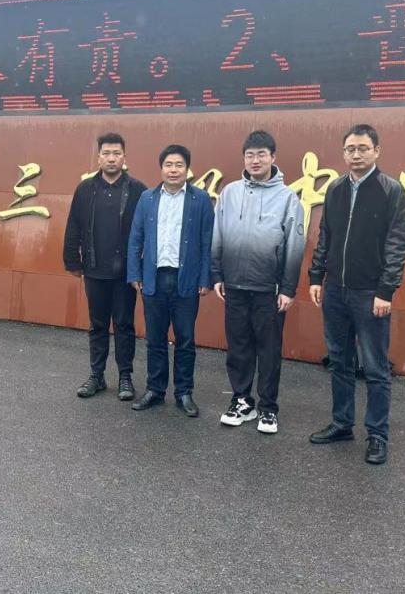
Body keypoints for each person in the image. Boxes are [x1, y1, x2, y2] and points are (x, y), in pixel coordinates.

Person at [307, 124, 405, 465]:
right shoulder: (335, 188)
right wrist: (316, 276)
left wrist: (386, 290)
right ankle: (342, 424)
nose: (356, 154)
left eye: (363, 148)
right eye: (350, 149)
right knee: (339, 361)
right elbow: (326, 236)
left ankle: (377, 435)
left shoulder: (391, 190)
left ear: (377, 151)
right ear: (344, 153)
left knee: (376, 367)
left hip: (370, 294)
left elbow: (397, 245)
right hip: (335, 290)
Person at [211, 130, 305, 434]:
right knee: (238, 347)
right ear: (244, 158)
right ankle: (242, 401)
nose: (255, 160)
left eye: (261, 154)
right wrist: (217, 274)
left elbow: (295, 245)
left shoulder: (288, 198)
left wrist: (288, 288)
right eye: (250, 155)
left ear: (273, 157)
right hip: (235, 286)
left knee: (269, 350)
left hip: (270, 290)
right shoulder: (230, 193)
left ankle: (268, 408)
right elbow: (217, 235)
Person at [127, 145, 214, 417]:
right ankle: (155, 389)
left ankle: (184, 392)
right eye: (168, 164)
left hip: (186, 279)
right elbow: (136, 238)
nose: (173, 170)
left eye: (179, 165)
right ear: (161, 168)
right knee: (155, 339)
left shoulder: (200, 200)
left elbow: (208, 241)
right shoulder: (147, 198)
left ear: (187, 169)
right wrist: (135, 274)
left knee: (185, 340)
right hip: (154, 278)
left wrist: (206, 277)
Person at [63, 133, 148, 401]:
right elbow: (74, 226)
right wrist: (72, 261)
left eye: (116, 153)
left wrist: (141, 269)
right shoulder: (85, 189)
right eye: (107, 153)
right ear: (98, 157)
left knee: (124, 325)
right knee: (97, 325)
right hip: (94, 268)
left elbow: (147, 231)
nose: (112, 158)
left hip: (125, 273)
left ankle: (125, 377)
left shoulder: (138, 190)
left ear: (124, 157)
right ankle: (96, 375)